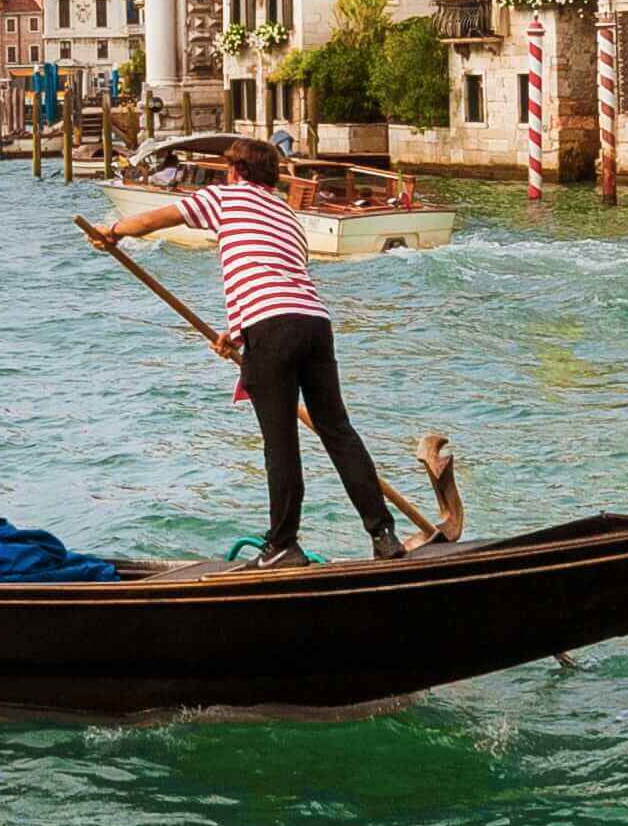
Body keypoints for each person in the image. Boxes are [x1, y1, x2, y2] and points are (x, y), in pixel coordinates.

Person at [88, 135, 401, 569]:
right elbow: (274, 274)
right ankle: (383, 534)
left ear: (237, 173)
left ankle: (283, 545)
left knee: (281, 444)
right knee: (338, 431)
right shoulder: (288, 216)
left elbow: (159, 218)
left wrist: (114, 232)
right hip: (314, 323)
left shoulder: (225, 197)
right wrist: (237, 333)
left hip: (272, 328)